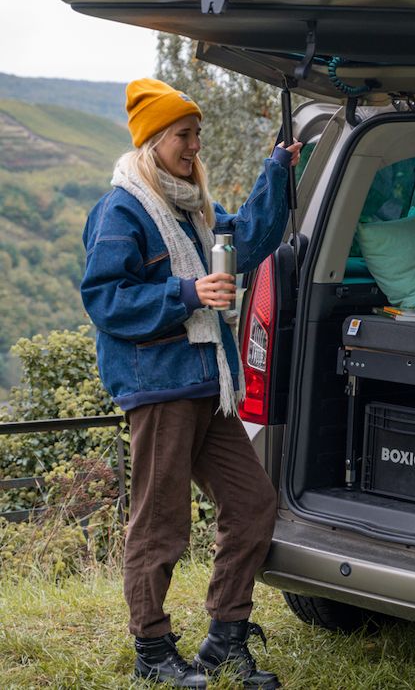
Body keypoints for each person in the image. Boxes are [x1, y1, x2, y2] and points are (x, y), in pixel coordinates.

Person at [80, 78, 301, 689]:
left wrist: (277, 167)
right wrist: (186, 293)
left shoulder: (192, 207)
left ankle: (223, 640)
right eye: (184, 134)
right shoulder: (122, 208)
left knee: (254, 504)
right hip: (160, 386)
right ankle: (152, 651)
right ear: (153, 139)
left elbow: (250, 239)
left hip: (210, 383)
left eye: (198, 135)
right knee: (161, 522)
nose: (195, 145)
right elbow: (105, 299)